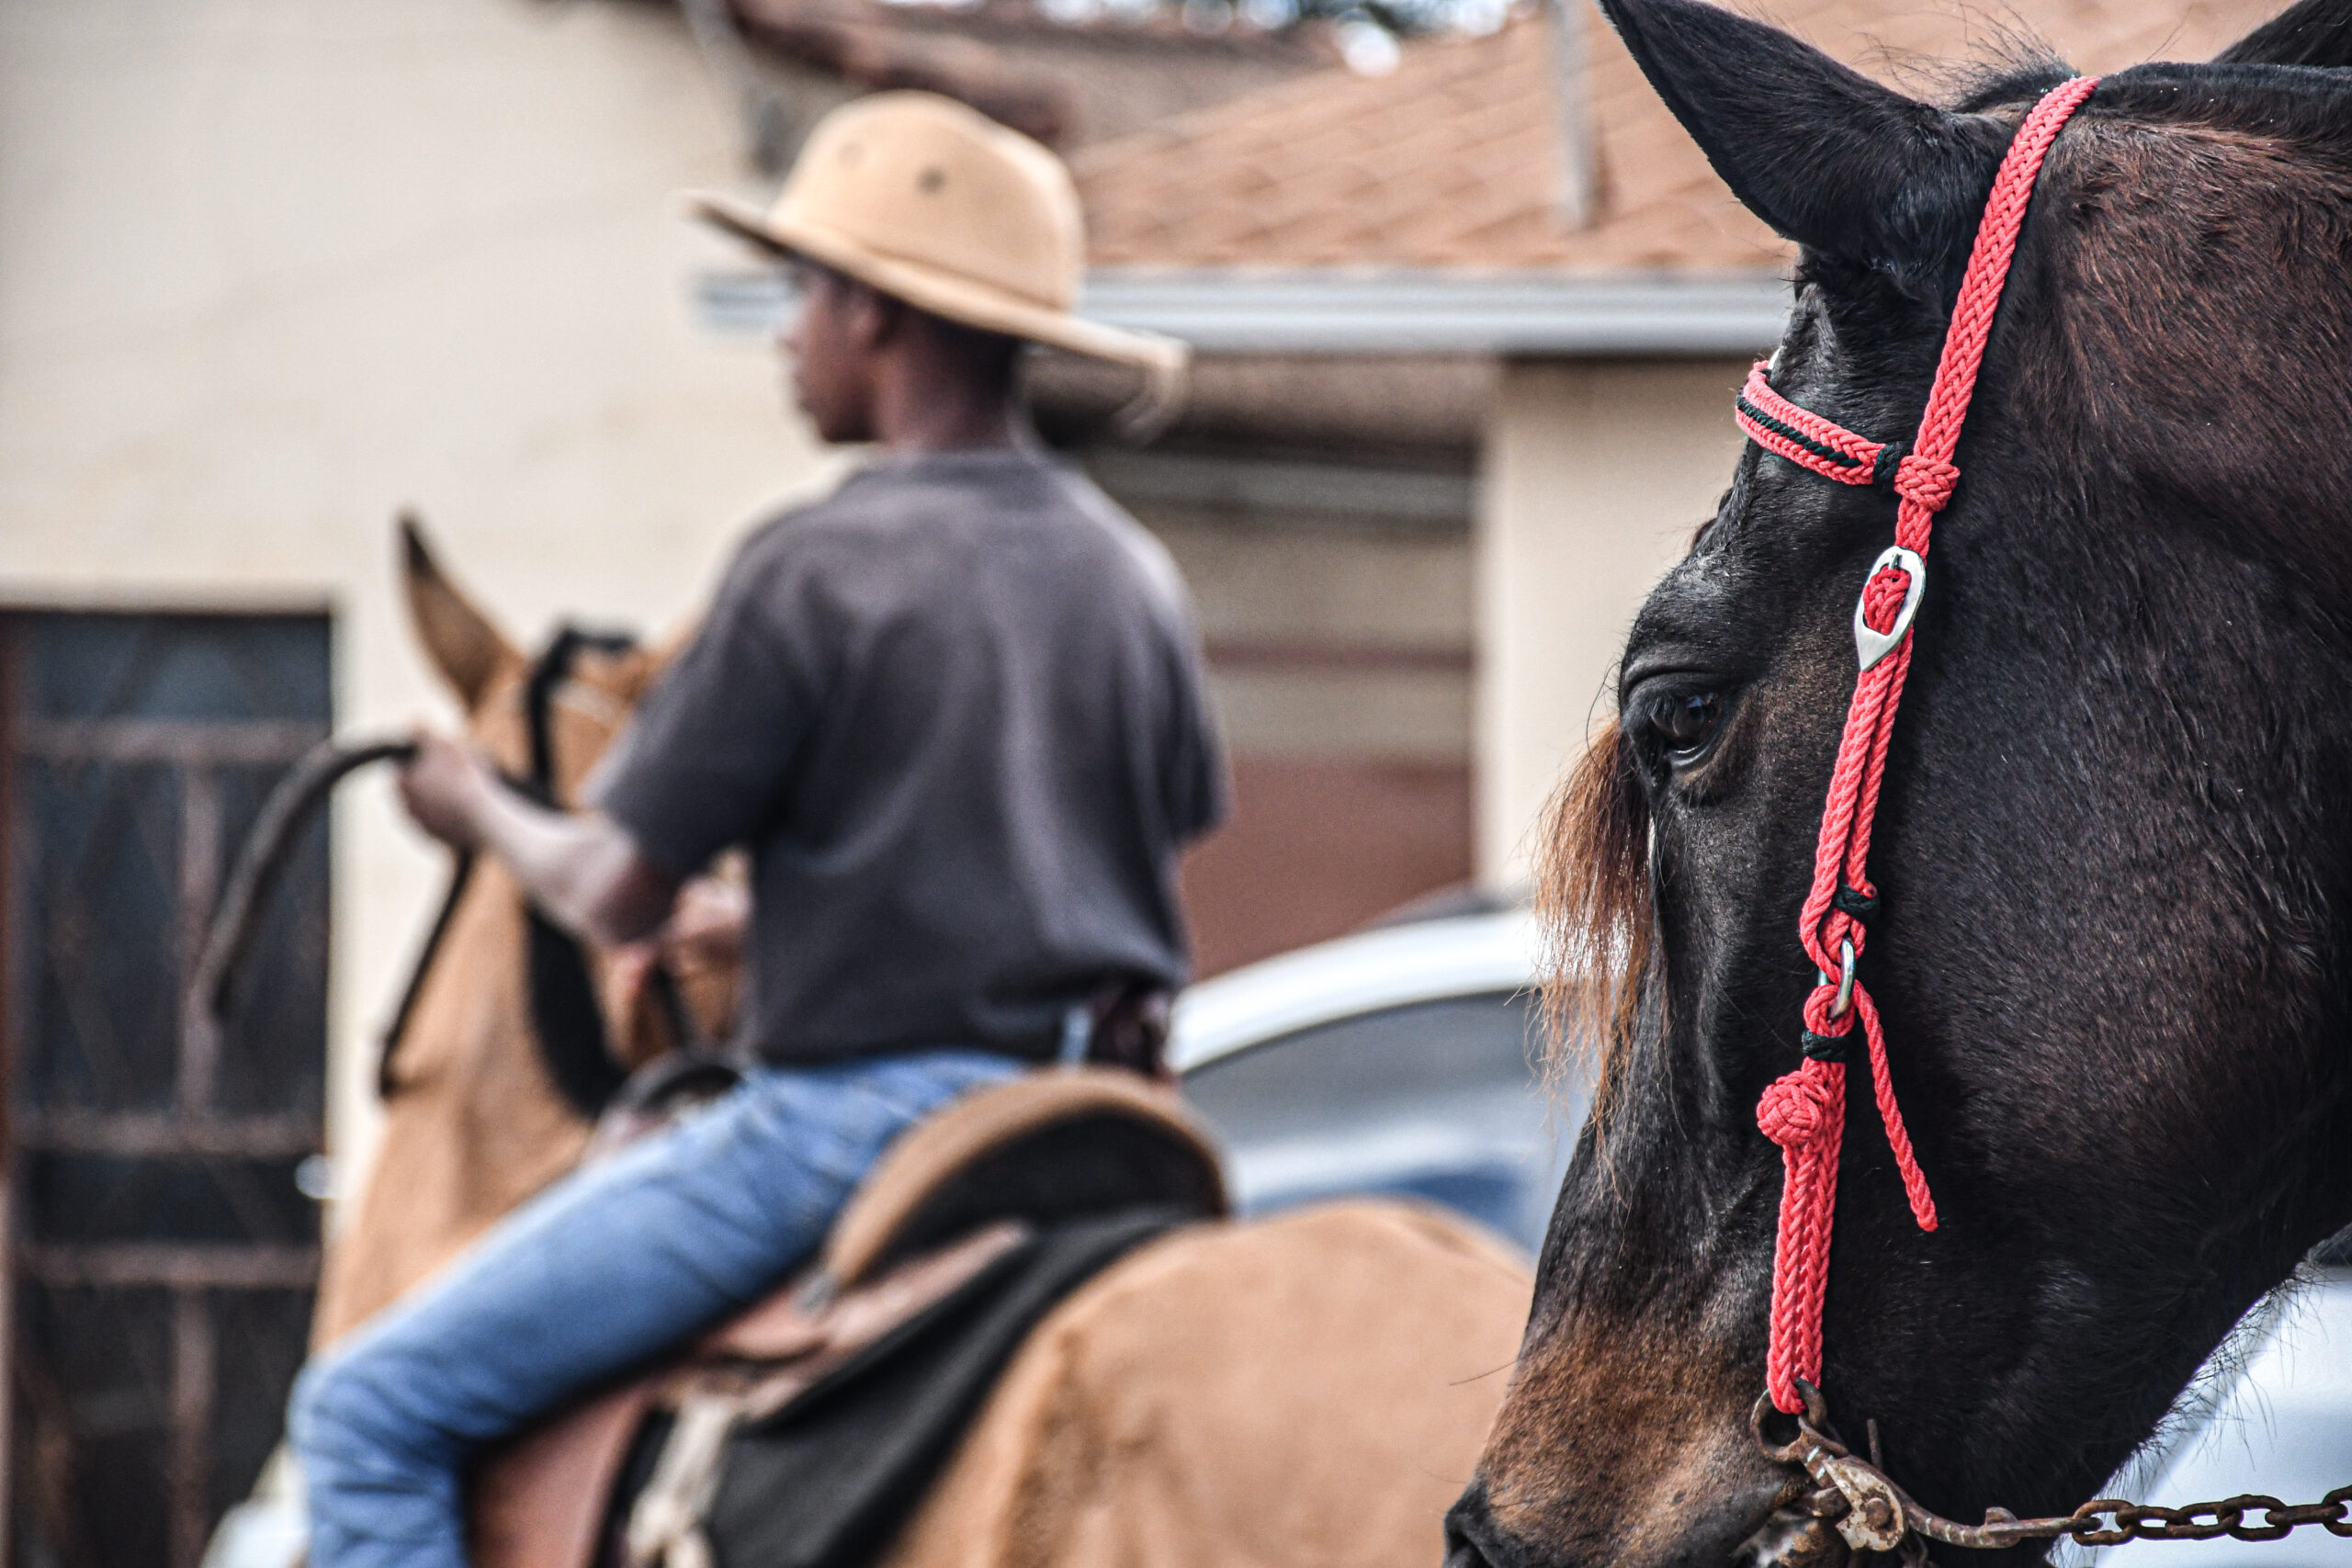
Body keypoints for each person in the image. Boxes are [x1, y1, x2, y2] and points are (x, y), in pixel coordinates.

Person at [288, 91, 1224, 1568]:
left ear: (874, 313)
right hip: (1090, 1118)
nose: (787, 336)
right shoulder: (1133, 578)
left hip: (841, 1133)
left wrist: (480, 811)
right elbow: (1067, 866)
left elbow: (612, 894)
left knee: (364, 1410)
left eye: (802, 292)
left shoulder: (813, 565)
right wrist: (786, 918)